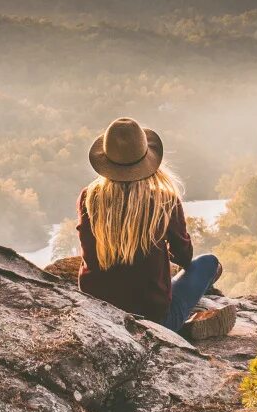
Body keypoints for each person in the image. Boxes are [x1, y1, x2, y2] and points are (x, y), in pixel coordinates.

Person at [75, 116, 235, 341]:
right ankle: (180, 330)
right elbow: (185, 257)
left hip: (99, 313)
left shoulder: (89, 198)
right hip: (153, 318)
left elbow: (87, 249)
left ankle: (179, 328)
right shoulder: (163, 199)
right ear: (147, 158)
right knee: (208, 263)